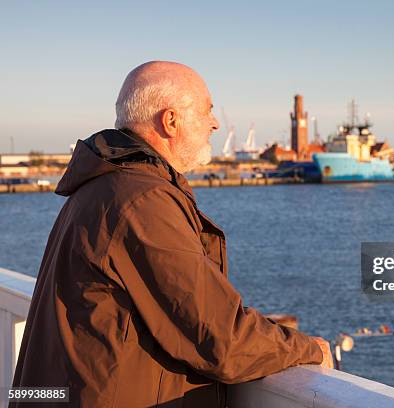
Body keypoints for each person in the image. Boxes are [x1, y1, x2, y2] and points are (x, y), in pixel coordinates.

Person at [11, 61, 333, 407]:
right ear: (171, 121)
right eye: (207, 110)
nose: (215, 122)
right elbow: (220, 337)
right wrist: (307, 348)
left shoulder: (103, 186)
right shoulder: (142, 200)